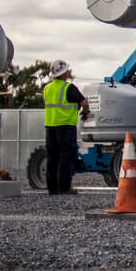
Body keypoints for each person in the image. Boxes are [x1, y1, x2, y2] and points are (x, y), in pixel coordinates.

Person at [42, 60, 90, 195]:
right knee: (65, 157)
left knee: (52, 157)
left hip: (50, 126)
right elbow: (84, 102)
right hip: (66, 126)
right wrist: (85, 112)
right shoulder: (69, 87)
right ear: (64, 73)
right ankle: (64, 187)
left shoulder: (47, 88)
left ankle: (52, 188)